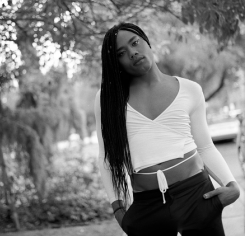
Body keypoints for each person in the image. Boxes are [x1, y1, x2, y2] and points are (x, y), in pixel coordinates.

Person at [94, 22, 240, 236]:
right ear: (117, 62)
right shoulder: (107, 100)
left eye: (135, 43)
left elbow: (205, 147)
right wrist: (117, 209)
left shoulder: (190, 90)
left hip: (197, 196)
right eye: (121, 53)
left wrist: (231, 185)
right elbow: (106, 157)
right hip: (148, 206)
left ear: (147, 42)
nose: (133, 53)